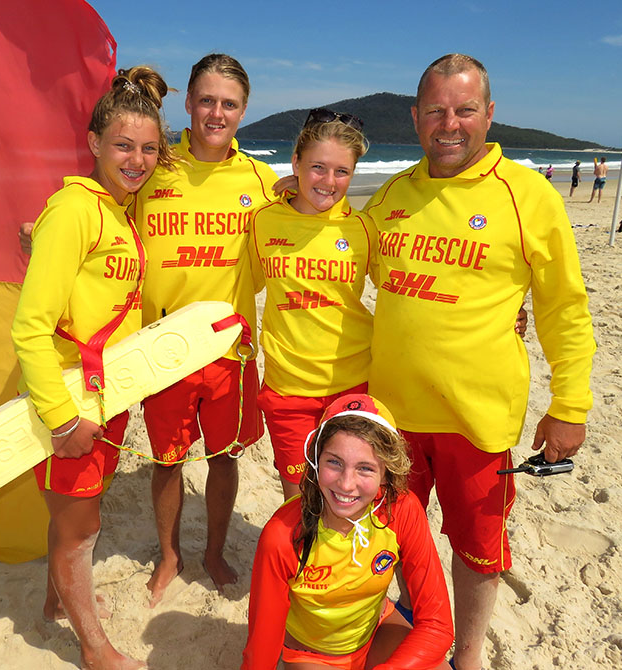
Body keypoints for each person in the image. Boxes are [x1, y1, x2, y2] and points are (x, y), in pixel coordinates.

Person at [363, 54, 595, 670]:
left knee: (475, 551)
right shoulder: (390, 195)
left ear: (489, 114)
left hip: (478, 418)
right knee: (394, 542)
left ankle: (466, 657)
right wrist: (292, 188)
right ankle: (418, 632)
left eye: (465, 110)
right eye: (436, 110)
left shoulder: (527, 195)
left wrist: (569, 406)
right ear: (415, 118)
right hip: (393, 415)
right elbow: (334, 247)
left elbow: (564, 310)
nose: (450, 124)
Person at [11, 66, 177, 670]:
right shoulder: (76, 209)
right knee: (82, 530)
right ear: (94, 144)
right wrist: (60, 419)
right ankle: (94, 649)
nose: (137, 159)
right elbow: (29, 326)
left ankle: (57, 606)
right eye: (123, 146)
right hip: (71, 401)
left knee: (72, 520)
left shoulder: (120, 209)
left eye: (149, 148)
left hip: (102, 398)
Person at [134, 54, 279, 606]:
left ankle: (214, 551)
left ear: (243, 111)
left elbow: (308, 232)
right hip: (163, 347)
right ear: (187, 103)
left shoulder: (261, 181)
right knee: (167, 460)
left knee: (225, 457)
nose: (216, 113)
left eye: (229, 103)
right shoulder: (153, 167)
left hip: (230, 350)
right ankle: (169, 555)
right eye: (206, 100)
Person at [242, 393, 453, 670]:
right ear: (316, 458)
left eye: (365, 468)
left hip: (376, 633)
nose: (346, 484)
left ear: (386, 472)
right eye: (334, 462)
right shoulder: (283, 534)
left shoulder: (400, 509)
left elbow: (438, 626)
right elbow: (261, 648)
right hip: (312, 654)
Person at [249, 108, 377, 501]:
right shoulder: (263, 220)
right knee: (300, 500)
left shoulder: (364, 228)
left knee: (348, 497)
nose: (329, 181)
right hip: (288, 388)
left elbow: (405, 290)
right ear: (295, 163)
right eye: (317, 167)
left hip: (353, 381)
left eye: (342, 172)